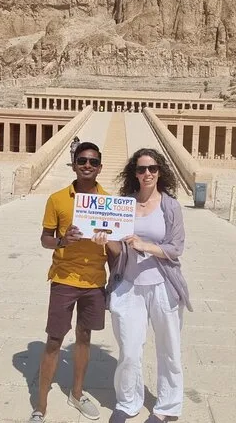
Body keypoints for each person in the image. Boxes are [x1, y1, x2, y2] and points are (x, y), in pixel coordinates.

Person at [93, 148, 192, 423]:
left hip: (163, 285)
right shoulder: (124, 204)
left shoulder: (170, 206)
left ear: (160, 172)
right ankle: (127, 402)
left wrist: (145, 245)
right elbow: (118, 249)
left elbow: (176, 248)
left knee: (169, 348)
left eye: (152, 168)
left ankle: (167, 406)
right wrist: (105, 241)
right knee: (129, 349)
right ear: (134, 173)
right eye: (141, 169)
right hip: (129, 284)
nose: (147, 173)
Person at [30, 142, 108, 423]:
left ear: (100, 167)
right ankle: (40, 405)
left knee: (85, 337)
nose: (87, 165)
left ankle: (77, 393)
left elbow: (115, 246)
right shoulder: (58, 199)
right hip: (64, 278)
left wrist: (109, 241)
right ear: (74, 164)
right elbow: (45, 239)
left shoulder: (109, 202)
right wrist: (63, 241)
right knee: (54, 339)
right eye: (82, 160)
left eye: (93, 162)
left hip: (94, 280)